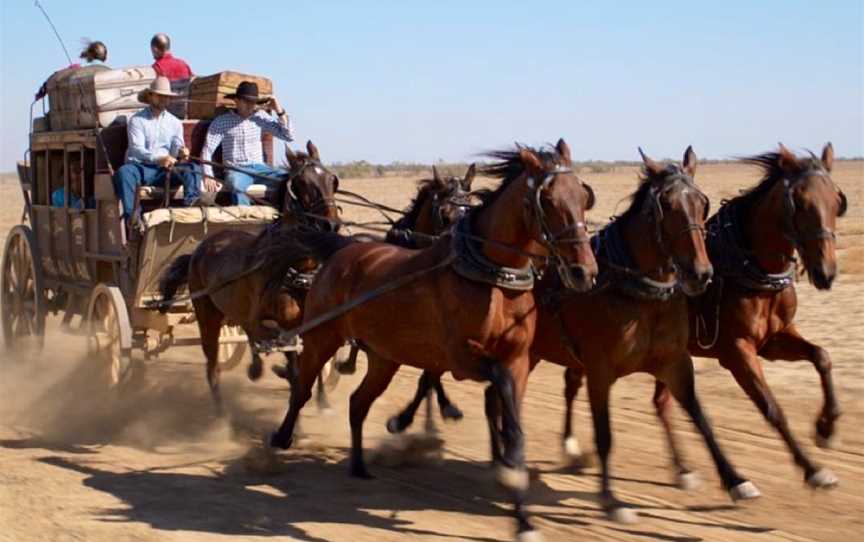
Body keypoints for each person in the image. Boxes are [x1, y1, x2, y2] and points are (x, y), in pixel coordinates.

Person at [112, 76, 207, 223]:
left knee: (193, 168)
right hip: (141, 168)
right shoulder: (137, 120)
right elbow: (137, 149)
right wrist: (159, 158)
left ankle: (191, 213)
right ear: (151, 96)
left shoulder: (174, 122)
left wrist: (182, 151)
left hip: (165, 170)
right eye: (160, 96)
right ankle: (134, 221)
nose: (164, 99)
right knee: (125, 172)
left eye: (167, 97)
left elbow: (176, 148)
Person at [200, 81, 294, 205]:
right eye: (247, 101)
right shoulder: (222, 121)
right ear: (237, 101)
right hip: (236, 169)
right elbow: (207, 150)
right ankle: (245, 218)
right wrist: (208, 175)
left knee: (290, 179)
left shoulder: (260, 117)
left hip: (261, 169)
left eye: (253, 102)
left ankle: (286, 217)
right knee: (235, 184)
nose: (251, 105)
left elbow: (288, 136)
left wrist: (279, 110)